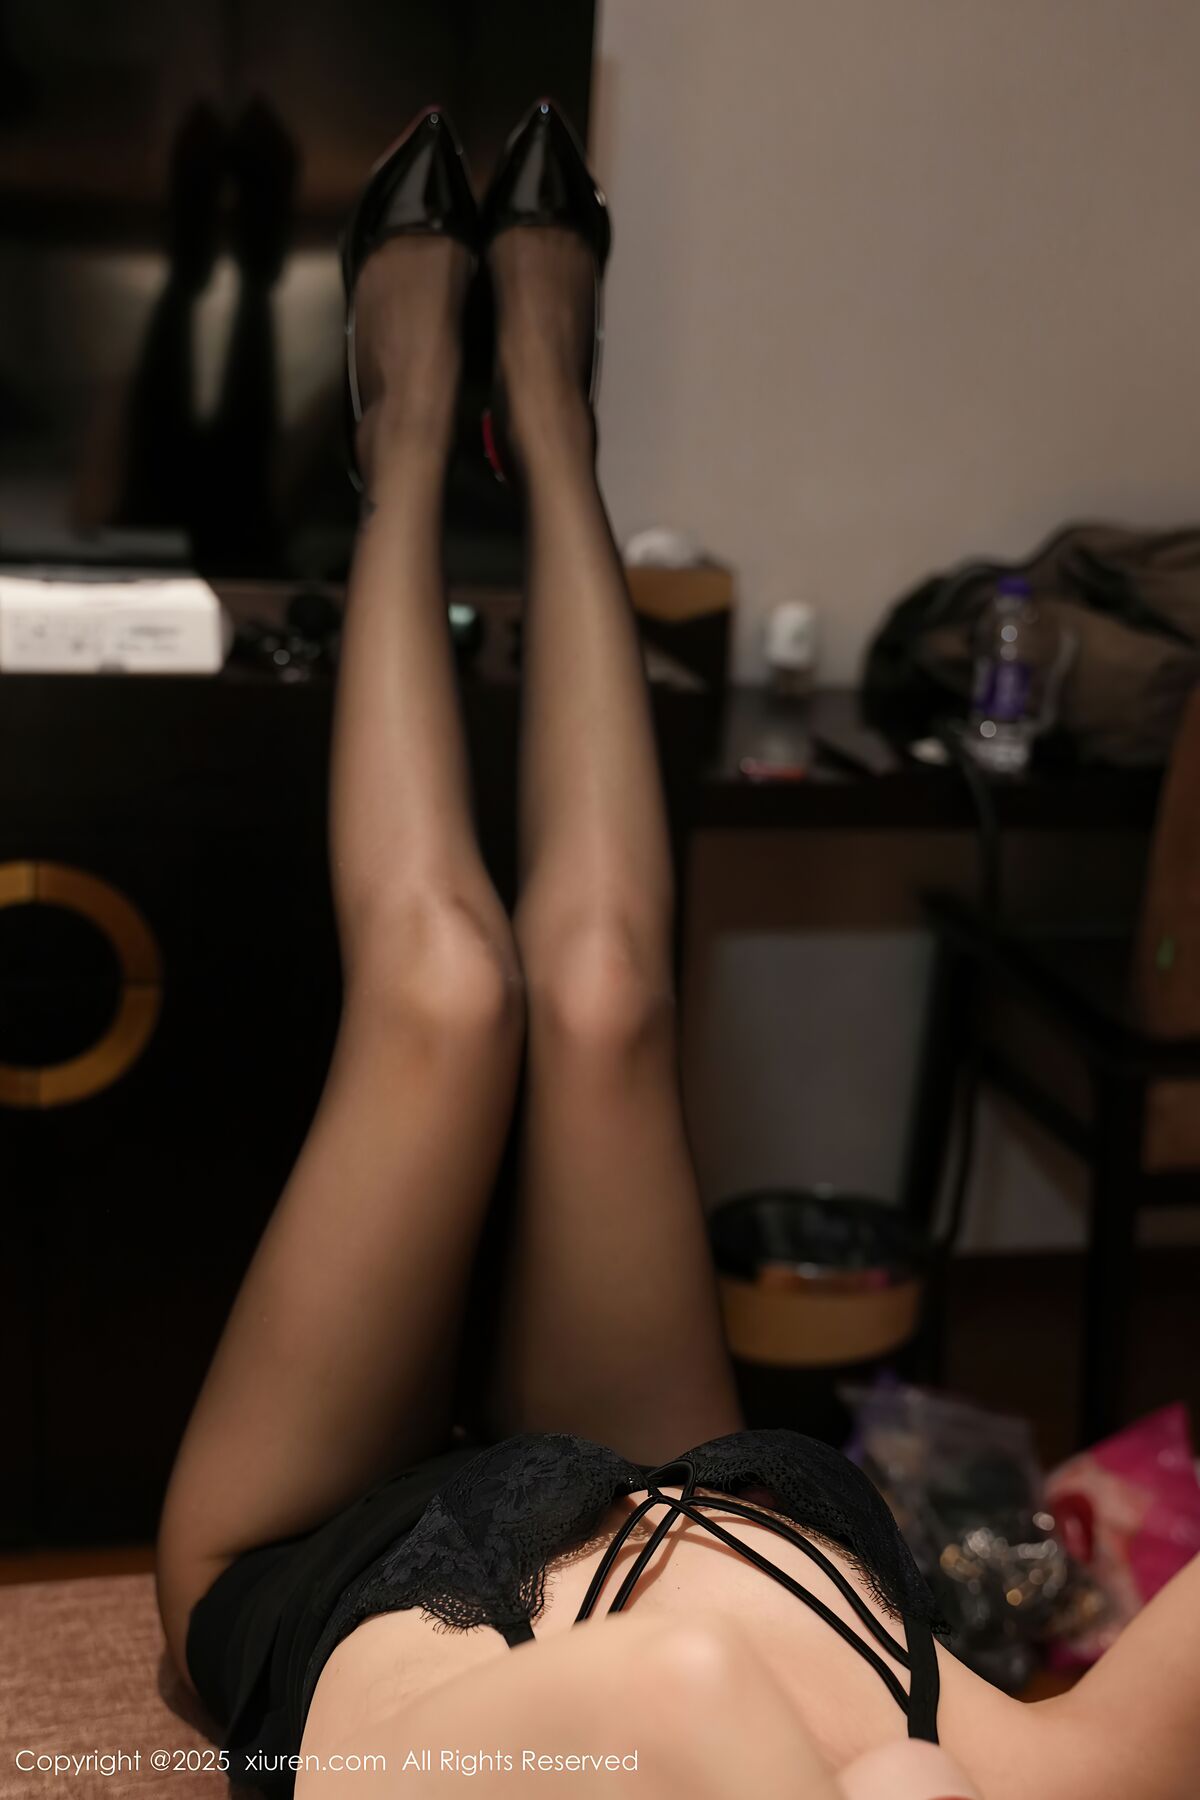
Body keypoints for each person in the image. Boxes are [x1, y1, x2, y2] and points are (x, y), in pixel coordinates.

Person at [156, 102, 1199, 1800]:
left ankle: (408, 434)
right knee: (599, 992)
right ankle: (556, 424)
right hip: (703, 1487)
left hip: (336, 1567)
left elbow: (689, 1693)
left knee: (446, 987)